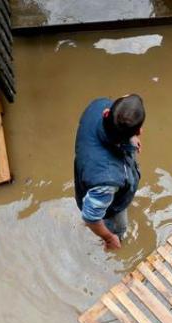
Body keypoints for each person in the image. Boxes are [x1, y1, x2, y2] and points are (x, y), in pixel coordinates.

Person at [74, 94, 145, 250]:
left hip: (92, 165)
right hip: (110, 204)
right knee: (119, 228)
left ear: (107, 113)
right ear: (140, 131)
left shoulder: (98, 106)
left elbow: (121, 112)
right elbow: (90, 217)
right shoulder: (107, 180)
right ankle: (116, 237)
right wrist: (109, 237)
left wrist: (130, 138)